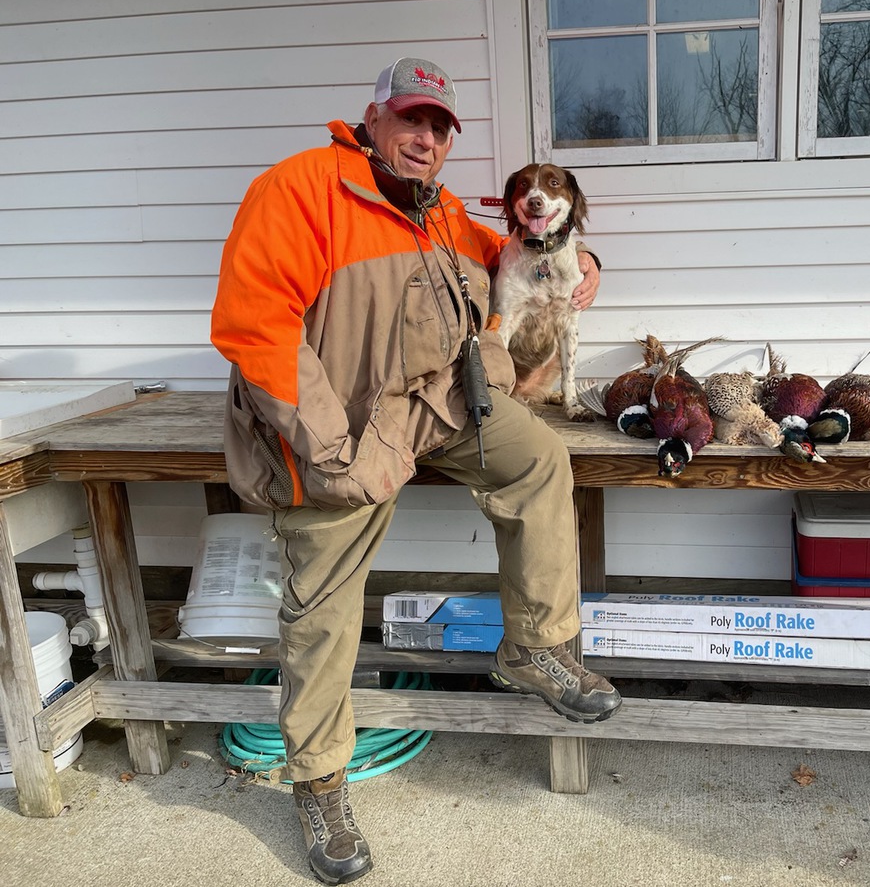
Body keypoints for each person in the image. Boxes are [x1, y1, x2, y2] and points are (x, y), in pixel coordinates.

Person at [210, 57, 621, 886]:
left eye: (439, 127)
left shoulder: (439, 216)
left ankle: (534, 649)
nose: (425, 138)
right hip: (336, 427)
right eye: (411, 120)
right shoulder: (297, 191)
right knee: (323, 603)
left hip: (432, 411)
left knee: (540, 458)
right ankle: (320, 782)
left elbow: (519, 249)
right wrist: (333, 452)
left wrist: (589, 264)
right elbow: (255, 328)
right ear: (372, 117)